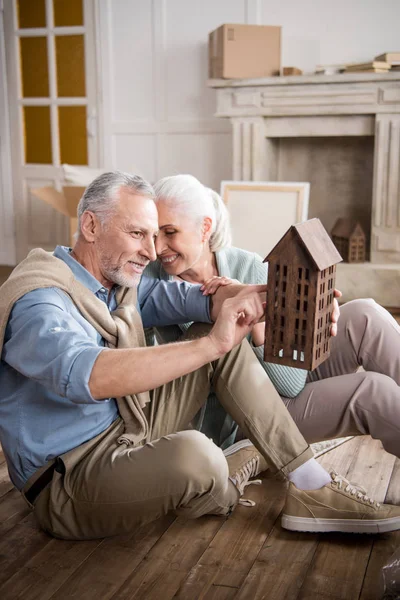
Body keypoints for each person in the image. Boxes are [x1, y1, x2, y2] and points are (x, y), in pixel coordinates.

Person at [0, 171, 399, 542]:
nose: (150, 250)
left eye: (155, 235)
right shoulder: (41, 303)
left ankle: (310, 485)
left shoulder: (116, 287)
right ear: (90, 226)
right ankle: (230, 474)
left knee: (215, 326)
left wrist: (284, 303)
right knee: (200, 456)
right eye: (138, 233)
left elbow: (196, 299)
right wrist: (213, 346)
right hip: (70, 478)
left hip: (128, 427)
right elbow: (89, 375)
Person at [148, 173, 400, 464]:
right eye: (154, 234)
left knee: (365, 315)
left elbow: (293, 375)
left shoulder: (247, 265)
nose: (157, 248)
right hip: (243, 419)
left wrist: (309, 313)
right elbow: (290, 387)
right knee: (371, 392)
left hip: (281, 378)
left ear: (205, 228)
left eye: (169, 232)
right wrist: (252, 318)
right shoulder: (153, 288)